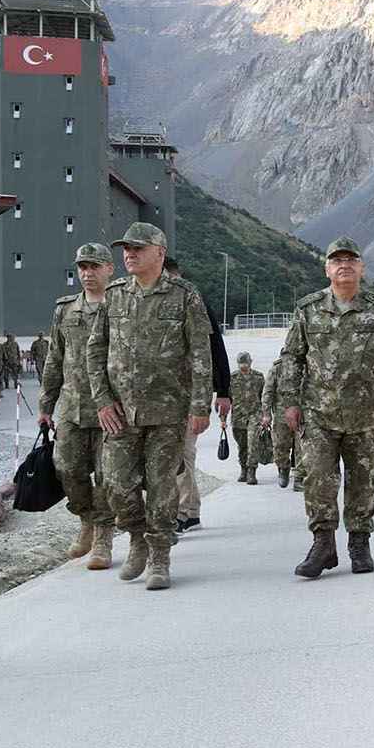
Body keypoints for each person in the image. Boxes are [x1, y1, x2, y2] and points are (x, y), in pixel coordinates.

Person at [87, 223, 213, 591]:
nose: (130, 254)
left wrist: (200, 405)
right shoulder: (114, 296)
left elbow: (201, 354)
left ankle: (159, 554)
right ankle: (137, 537)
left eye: (138, 248)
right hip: (121, 413)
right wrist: (102, 400)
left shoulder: (185, 296)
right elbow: (95, 350)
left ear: (160, 252)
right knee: (116, 484)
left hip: (168, 411)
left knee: (161, 487)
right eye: (126, 248)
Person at [276, 237, 374, 578]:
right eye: (337, 260)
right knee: (318, 478)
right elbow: (292, 357)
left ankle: (359, 542)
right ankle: (323, 543)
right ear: (327, 269)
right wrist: (289, 401)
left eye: (351, 260)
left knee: (362, 482)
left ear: (362, 267)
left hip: (364, 415)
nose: (344, 265)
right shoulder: (308, 309)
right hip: (318, 415)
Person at [38, 243, 119, 569]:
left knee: (107, 476)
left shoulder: (120, 307)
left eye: (94, 266)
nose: (87, 273)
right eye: (83, 267)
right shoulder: (65, 310)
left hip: (111, 411)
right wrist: (46, 404)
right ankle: (86, 519)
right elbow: (54, 358)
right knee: (68, 469)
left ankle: (103, 537)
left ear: (110, 269)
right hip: (72, 408)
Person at [163, 256, 231, 533]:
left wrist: (223, 391)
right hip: (161, 395)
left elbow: (215, 345)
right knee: (175, 454)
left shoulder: (192, 298)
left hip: (190, 392)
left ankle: (184, 513)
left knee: (181, 453)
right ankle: (188, 512)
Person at [262, 348, 304, 491]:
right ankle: (283, 468)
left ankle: (299, 478)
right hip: (281, 415)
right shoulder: (276, 368)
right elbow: (268, 392)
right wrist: (266, 414)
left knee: (302, 447)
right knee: (280, 446)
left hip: (302, 415)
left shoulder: (305, 367)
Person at [230, 351, 266, 484]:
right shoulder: (232, 378)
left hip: (254, 415)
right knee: (242, 445)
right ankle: (243, 469)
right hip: (238, 416)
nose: (243, 367)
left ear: (250, 363)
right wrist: (222, 419)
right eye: (241, 365)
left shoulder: (259, 377)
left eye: (245, 365)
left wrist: (266, 415)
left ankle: (252, 470)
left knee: (253, 443)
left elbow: (265, 397)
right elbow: (227, 400)